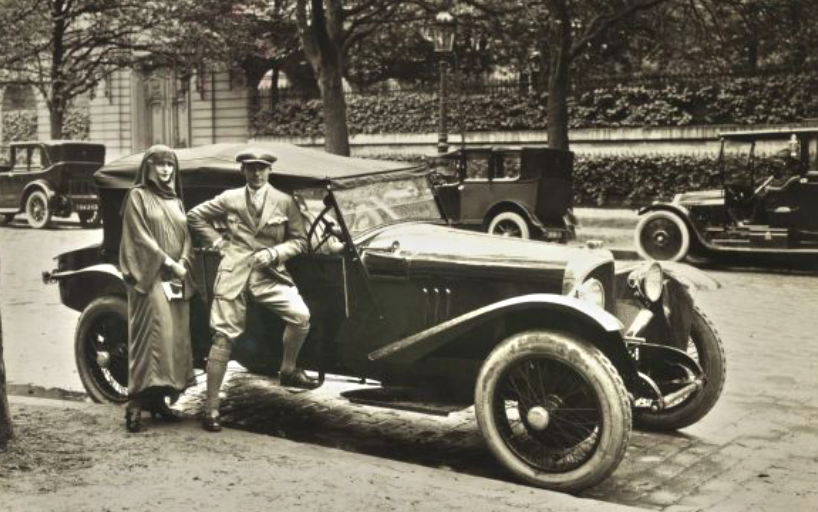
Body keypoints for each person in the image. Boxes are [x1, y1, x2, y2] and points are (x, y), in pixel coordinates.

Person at [187, 149, 316, 433]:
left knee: (300, 316)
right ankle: (211, 409)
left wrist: (274, 253)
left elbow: (300, 241)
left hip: (270, 275)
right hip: (233, 275)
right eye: (251, 169)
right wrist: (220, 244)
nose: (257, 174)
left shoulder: (284, 202)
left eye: (262, 169)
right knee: (222, 339)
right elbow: (195, 216)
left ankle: (287, 371)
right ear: (243, 171)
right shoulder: (229, 197)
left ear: (269, 170)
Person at [119, 145, 196, 433]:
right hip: (149, 279)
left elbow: (186, 235)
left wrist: (183, 262)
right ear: (149, 167)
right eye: (160, 164)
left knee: (173, 341)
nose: (165, 170)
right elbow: (138, 237)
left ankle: (159, 401)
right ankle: (135, 404)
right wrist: (168, 263)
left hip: (175, 278)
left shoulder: (175, 199)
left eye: (170, 165)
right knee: (151, 339)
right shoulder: (137, 197)